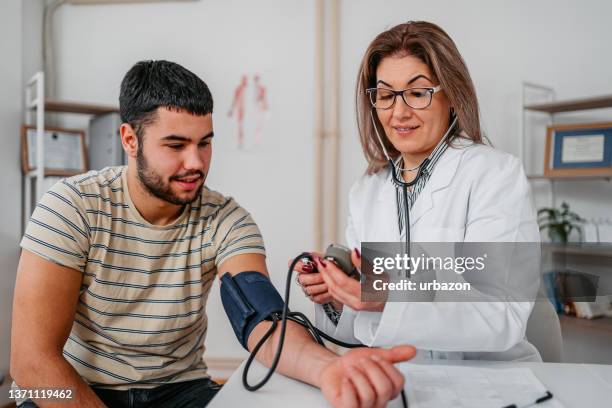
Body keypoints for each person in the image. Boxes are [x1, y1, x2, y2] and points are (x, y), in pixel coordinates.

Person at [10, 60, 416, 408]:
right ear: (130, 140)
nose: (195, 163)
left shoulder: (226, 218)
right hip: (74, 387)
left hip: (179, 391)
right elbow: (31, 363)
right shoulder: (72, 206)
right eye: (176, 145)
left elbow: (260, 315)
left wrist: (329, 367)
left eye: (205, 144)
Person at [295, 21, 542, 362]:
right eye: (385, 95)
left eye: (417, 92)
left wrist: (388, 297)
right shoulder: (366, 191)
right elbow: (365, 329)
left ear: (452, 96)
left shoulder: (495, 175)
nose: (399, 112)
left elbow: (500, 315)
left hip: (488, 381)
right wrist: (339, 295)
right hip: (400, 377)